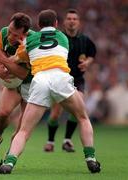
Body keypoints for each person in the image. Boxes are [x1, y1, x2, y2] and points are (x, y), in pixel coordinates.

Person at [0, 9, 101, 174]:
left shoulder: (30, 40)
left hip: (39, 81)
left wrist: (2, 58)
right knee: (83, 118)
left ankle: (9, 163)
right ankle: (91, 159)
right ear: (56, 24)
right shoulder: (63, 38)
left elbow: (13, 61)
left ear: (39, 26)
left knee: (24, 131)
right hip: (61, 78)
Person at [44, 9, 96, 152]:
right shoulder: (59, 38)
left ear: (78, 22)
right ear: (64, 22)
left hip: (77, 80)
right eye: (69, 18)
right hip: (60, 80)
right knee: (55, 114)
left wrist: (88, 63)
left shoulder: (85, 40)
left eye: (75, 19)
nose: (72, 21)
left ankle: (67, 140)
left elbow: (92, 54)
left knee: (78, 110)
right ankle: (50, 141)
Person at [0, 12, 33, 160]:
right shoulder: (4, 32)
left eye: (15, 35)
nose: (10, 36)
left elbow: (24, 75)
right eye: (10, 31)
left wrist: (3, 61)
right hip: (13, 83)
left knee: (21, 128)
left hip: (32, 84)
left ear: (25, 34)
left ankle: (9, 158)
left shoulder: (32, 42)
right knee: (2, 114)